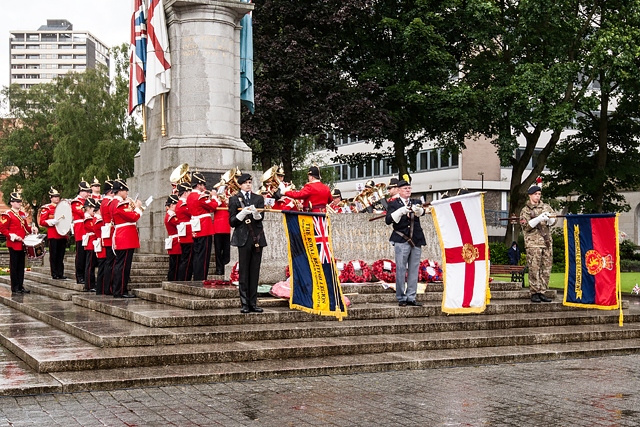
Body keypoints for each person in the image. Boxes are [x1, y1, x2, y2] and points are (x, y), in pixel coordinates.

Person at [385, 180, 427, 307]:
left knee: (414, 269)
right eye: (405, 188)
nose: (408, 190)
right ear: (398, 190)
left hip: (416, 239)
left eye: (409, 188)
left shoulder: (416, 202)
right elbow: (388, 220)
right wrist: (402, 211)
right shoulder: (394, 204)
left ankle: (411, 297)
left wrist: (417, 210)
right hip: (401, 239)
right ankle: (401, 297)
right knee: (401, 269)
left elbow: (423, 212)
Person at [229, 173, 267, 313]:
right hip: (243, 238)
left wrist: (256, 213)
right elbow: (232, 222)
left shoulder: (258, 198)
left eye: (250, 182)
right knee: (244, 271)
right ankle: (244, 303)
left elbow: (261, 217)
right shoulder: (234, 199)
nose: (248, 185)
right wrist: (242, 213)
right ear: (240, 184)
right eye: (245, 183)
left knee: (255, 271)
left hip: (256, 237)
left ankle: (253, 302)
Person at [520, 185, 555, 303]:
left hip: (546, 242)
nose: (537, 196)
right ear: (530, 195)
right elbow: (525, 226)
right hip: (533, 243)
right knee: (534, 268)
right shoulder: (525, 210)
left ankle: (542, 291)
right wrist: (538, 219)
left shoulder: (546, 207)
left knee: (546, 268)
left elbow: (554, 221)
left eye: (539, 194)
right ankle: (534, 292)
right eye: (535, 194)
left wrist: (549, 219)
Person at [111, 179, 142, 298]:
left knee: (123, 265)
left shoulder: (117, 203)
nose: (127, 193)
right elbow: (133, 217)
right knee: (123, 266)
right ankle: (120, 290)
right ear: (120, 191)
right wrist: (138, 207)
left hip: (125, 236)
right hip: (125, 236)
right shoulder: (119, 204)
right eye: (125, 191)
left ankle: (121, 289)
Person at [0, 191, 36, 294]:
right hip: (14, 243)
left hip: (22, 243)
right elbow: (3, 229)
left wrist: (32, 229)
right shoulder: (7, 215)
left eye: (20, 201)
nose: (20, 203)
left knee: (21, 266)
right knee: (14, 266)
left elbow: (25, 227)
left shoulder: (22, 214)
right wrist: (14, 236)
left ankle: (20, 285)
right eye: (17, 201)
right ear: (12, 203)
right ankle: (15, 287)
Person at [187, 172, 218, 281]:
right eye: (203, 184)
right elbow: (213, 206)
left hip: (196, 228)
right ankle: (201, 278)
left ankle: (197, 277)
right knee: (204, 257)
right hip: (204, 228)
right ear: (198, 184)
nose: (204, 187)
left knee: (197, 255)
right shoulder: (201, 196)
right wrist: (214, 197)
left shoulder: (190, 196)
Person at [39, 186, 68, 280]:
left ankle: (60, 272)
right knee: (54, 255)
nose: (56, 198)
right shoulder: (47, 208)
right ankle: (54, 273)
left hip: (62, 234)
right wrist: (50, 222)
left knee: (61, 255)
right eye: (54, 197)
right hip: (53, 234)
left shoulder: (63, 207)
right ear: (51, 198)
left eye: (57, 196)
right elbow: (42, 221)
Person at [97, 178, 115, 295]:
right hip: (111, 232)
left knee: (108, 263)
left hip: (107, 232)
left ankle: (103, 288)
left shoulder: (104, 202)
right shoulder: (109, 202)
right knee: (110, 263)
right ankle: (108, 287)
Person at [71, 179, 91, 284]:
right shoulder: (76, 202)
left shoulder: (87, 201)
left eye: (89, 192)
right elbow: (82, 212)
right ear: (80, 191)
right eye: (86, 191)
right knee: (81, 254)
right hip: (80, 230)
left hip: (88, 229)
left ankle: (86, 275)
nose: (88, 194)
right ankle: (79, 275)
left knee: (88, 255)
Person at [175, 182, 194, 281]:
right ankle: (184, 279)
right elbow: (193, 212)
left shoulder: (179, 203)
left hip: (185, 233)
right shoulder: (183, 204)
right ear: (186, 193)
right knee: (187, 260)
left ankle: (184, 278)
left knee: (186, 259)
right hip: (188, 234)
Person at [164, 195, 182, 281]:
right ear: (171, 205)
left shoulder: (171, 214)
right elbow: (179, 223)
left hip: (175, 241)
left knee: (175, 264)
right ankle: (172, 280)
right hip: (175, 242)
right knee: (175, 264)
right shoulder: (171, 216)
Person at [82, 198, 99, 292]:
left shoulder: (90, 217)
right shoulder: (88, 218)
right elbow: (94, 228)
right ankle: (89, 284)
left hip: (92, 242)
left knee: (91, 265)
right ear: (88, 208)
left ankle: (91, 283)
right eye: (93, 209)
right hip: (91, 243)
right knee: (90, 265)